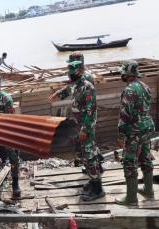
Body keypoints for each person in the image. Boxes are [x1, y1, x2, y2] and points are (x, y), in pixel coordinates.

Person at [47, 61, 104, 201]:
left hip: (86, 127)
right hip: (77, 127)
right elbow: (67, 89)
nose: (68, 75)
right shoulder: (75, 85)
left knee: (90, 156)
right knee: (83, 154)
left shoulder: (87, 86)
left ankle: (98, 189)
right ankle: (93, 179)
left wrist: (85, 129)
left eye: (70, 72)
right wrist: (56, 94)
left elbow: (92, 111)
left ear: (79, 72)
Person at [115, 60, 155, 205]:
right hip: (147, 127)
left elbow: (125, 113)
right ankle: (149, 190)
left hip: (134, 130)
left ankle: (131, 198)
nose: (121, 74)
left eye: (122, 72)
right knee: (145, 155)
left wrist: (121, 134)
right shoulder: (145, 87)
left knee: (129, 160)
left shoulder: (130, 89)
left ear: (127, 74)